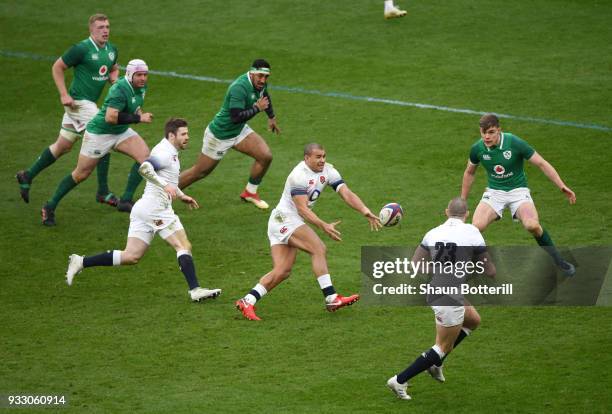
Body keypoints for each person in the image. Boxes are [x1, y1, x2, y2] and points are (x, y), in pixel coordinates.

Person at [65, 118, 221, 302]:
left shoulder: (170, 151)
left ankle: (81, 261)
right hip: (155, 209)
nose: (187, 137)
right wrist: (165, 186)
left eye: (187, 133)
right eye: (183, 134)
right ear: (172, 135)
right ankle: (195, 290)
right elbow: (145, 168)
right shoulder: (164, 153)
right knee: (182, 246)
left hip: (144, 208)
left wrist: (180, 194)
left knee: (131, 256)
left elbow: (168, 178)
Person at [235, 143, 382, 321]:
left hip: (284, 221)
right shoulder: (299, 176)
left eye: (324, 156)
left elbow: (346, 193)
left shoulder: (328, 171)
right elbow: (302, 209)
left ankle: (247, 300)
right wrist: (323, 225)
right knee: (318, 248)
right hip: (285, 220)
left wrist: (365, 211)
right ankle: (331, 298)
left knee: (282, 271)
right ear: (307, 158)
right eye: (318, 157)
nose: (322, 160)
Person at [16, 14, 139, 209]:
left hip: (86, 105)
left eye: (107, 27)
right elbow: (57, 67)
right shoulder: (81, 48)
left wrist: (114, 79)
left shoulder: (111, 49)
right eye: (100, 27)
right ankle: (103, 192)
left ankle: (27, 175)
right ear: (91, 30)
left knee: (63, 145)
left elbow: (113, 68)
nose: (105, 30)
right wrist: (63, 94)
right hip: (78, 103)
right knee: (103, 135)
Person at [387, 197, 496, 400]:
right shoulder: (473, 232)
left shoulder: (433, 233)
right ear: (467, 214)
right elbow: (489, 270)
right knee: (442, 346)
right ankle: (400, 380)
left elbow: (415, 264)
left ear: (447, 212)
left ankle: (436, 364)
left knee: (473, 321)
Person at [461, 113, 576, 276]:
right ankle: (477, 266)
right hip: (494, 193)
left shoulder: (514, 142)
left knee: (533, 226)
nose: (486, 136)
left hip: (518, 192)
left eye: (491, 132)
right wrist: (463, 201)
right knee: (475, 228)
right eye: (483, 132)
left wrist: (562, 185)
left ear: (499, 130)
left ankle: (559, 261)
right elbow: (469, 173)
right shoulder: (477, 148)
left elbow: (541, 163)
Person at [41, 59, 153, 226]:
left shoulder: (141, 87)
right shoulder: (120, 89)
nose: (143, 78)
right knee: (81, 174)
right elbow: (110, 117)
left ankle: (126, 201)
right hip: (100, 134)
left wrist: (138, 112)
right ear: (130, 75)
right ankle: (49, 206)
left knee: (145, 158)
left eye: (145, 75)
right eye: (139, 75)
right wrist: (139, 118)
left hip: (120, 132)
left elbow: (135, 105)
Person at [179, 59, 281, 209]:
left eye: (266, 77)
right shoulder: (239, 88)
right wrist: (257, 109)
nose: (263, 80)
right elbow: (235, 117)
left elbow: (265, 96)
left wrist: (271, 117)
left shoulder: (260, 83)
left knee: (265, 156)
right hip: (220, 134)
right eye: (260, 76)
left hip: (239, 130)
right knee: (200, 172)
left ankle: (250, 193)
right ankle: (164, 192)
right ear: (252, 73)